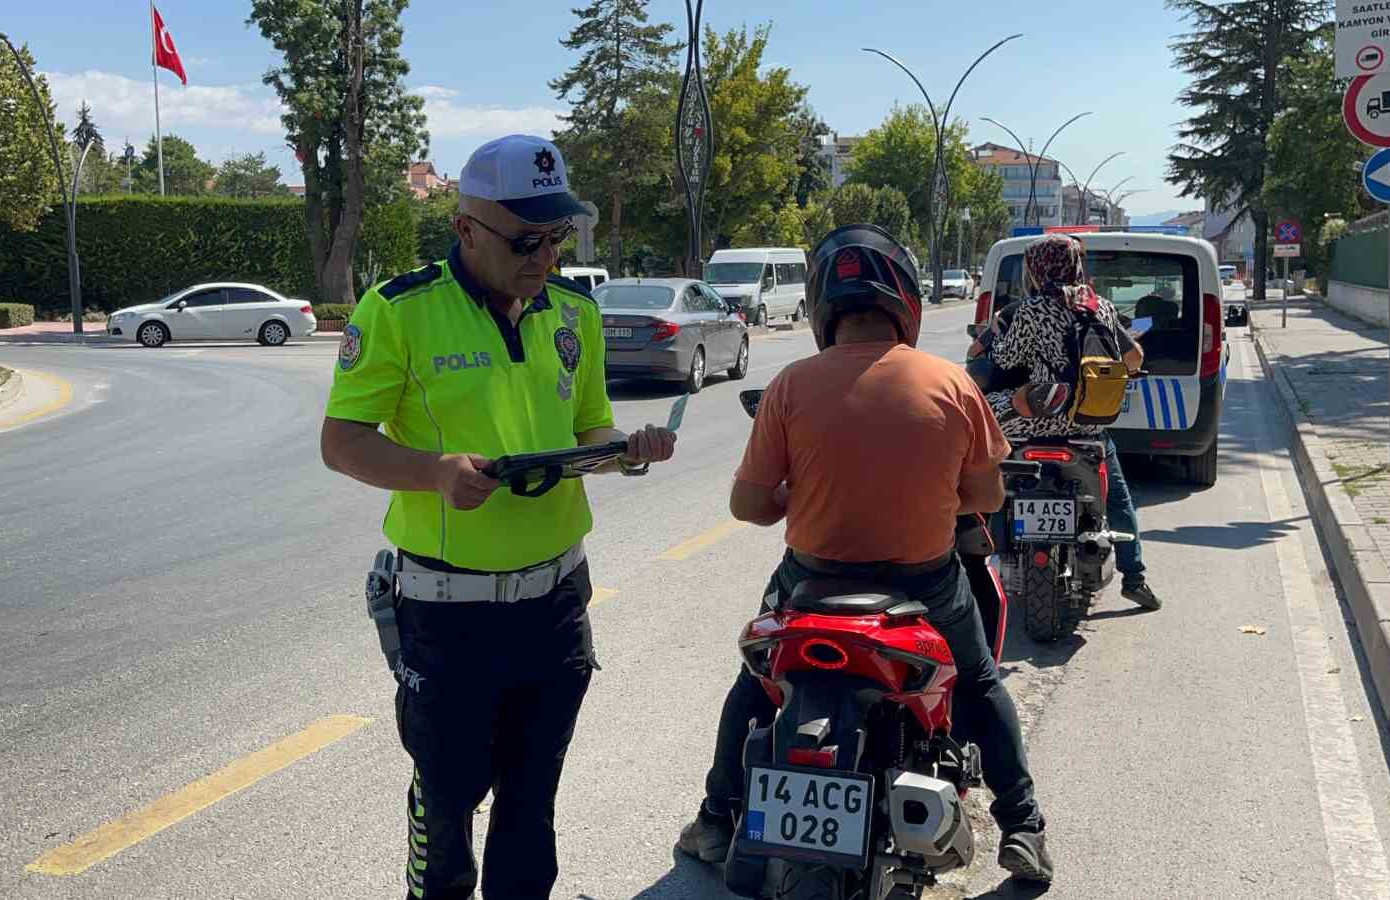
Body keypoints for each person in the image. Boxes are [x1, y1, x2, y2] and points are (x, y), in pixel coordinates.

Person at [320, 134, 676, 900]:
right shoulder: (400, 311)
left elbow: (588, 431)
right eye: (525, 239)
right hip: (448, 616)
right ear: (466, 229)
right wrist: (433, 474)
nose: (545, 255)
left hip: (555, 607)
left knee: (531, 803)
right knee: (449, 804)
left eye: (556, 236)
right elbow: (340, 442)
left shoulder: (574, 311)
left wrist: (625, 451)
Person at [676, 224, 1054, 884]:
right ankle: (1022, 826)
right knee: (982, 681)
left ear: (823, 307)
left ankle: (714, 818)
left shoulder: (791, 385)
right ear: (904, 303)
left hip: (809, 583)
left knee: (755, 687)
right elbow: (985, 493)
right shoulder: (950, 381)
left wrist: (797, 495)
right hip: (925, 585)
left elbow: (749, 505)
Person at [968, 234, 1160, 610]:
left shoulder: (1030, 309)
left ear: (1036, 269)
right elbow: (1135, 357)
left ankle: (984, 562)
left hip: (1034, 422)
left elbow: (1004, 361)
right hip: (1086, 426)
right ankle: (1134, 578)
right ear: (1075, 265)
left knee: (994, 471)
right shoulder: (1100, 306)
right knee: (1117, 498)